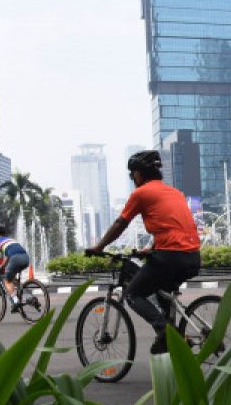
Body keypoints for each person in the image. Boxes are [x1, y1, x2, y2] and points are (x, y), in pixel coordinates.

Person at [85, 150, 201, 354]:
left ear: (139, 173)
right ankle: (175, 340)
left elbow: (121, 223)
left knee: (133, 294)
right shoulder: (174, 192)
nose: (132, 179)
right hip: (192, 257)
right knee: (162, 292)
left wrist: (99, 247)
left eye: (132, 174)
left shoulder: (141, 193)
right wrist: (150, 249)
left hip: (170, 257)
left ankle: (164, 331)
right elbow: (173, 227)